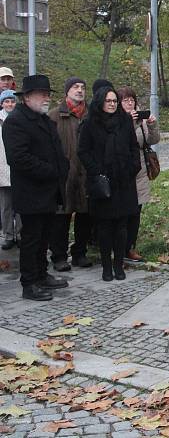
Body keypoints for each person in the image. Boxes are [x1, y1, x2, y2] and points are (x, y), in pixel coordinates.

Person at [2, 74, 70, 301]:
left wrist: (63, 166)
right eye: (42, 94)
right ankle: (29, 283)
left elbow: (56, 150)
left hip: (49, 191)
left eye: (48, 94)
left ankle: (42, 274)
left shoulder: (43, 120)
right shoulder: (16, 121)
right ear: (28, 97)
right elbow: (18, 158)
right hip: (31, 192)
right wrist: (52, 170)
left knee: (44, 237)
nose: (46, 98)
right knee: (31, 239)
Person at [78, 83, 141, 282]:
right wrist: (96, 171)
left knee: (122, 226)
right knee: (104, 227)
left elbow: (133, 148)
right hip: (103, 182)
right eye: (108, 101)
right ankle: (106, 266)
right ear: (100, 102)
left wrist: (132, 169)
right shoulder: (90, 123)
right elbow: (83, 151)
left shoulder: (124, 121)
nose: (112, 104)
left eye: (115, 101)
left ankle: (118, 264)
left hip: (124, 181)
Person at [48, 77, 93, 271]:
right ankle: (59, 256)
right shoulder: (54, 116)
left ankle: (79, 253)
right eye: (75, 87)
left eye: (83, 87)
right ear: (67, 91)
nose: (80, 90)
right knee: (61, 218)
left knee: (85, 216)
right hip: (64, 175)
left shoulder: (91, 115)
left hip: (86, 173)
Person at [118, 86, 160, 262]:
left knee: (136, 211)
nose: (130, 103)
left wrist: (152, 125)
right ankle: (118, 247)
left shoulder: (140, 122)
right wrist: (127, 122)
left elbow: (152, 140)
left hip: (140, 171)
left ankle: (130, 247)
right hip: (121, 171)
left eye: (132, 100)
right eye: (126, 100)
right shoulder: (116, 120)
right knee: (122, 212)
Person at [0, 89, 22, 250]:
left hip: (20, 169)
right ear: (2, 104)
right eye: (7, 101)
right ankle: (8, 235)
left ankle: (21, 234)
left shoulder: (21, 119)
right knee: (6, 206)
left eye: (13, 101)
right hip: (2, 170)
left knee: (21, 205)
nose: (10, 104)